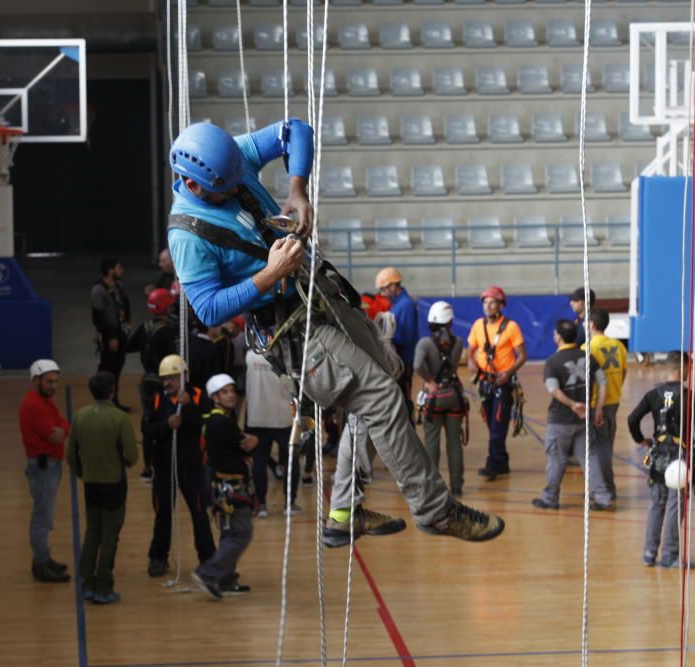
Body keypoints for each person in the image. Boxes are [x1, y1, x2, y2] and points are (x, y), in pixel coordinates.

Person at [167, 120, 503, 546]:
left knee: (388, 371)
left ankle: (343, 512)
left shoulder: (228, 160)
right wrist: (269, 276)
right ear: (194, 187)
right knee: (379, 395)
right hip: (292, 331)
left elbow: (295, 130)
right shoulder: (187, 235)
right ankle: (435, 509)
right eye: (224, 190)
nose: (236, 190)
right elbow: (208, 308)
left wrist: (297, 189)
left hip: (318, 297)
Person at [627, 352, 695, 568]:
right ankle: (670, 555)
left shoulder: (654, 394)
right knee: (675, 505)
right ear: (685, 368)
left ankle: (649, 552)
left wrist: (641, 440)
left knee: (657, 505)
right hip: (679, 459)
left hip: (657, 457)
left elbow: (632, 418)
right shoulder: (690, 397)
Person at [67, 372, 138, 603]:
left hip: (91, 484)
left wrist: (83, 472)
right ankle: (104, 587)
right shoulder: (119, 419)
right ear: (112, 390)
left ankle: (86, 583)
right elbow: (131, 455)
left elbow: (70, 454)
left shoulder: (79, 417)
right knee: (110, 536)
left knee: (92, 532)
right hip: (114, 484)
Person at [145, 354, 216, 577]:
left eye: (172, 378)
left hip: (192, 468)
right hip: (165, 469)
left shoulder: (197, 397)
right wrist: (167, 425)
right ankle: (158, 557)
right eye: (164, 378)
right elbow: (148, 431)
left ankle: (208, 559)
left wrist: (188, 409)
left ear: (184, 377)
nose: (167, 383)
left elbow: (205, 426)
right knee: (163, 514)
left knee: (199, 514)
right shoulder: (157, 400)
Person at [531, 320, 612, 511]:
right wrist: (598, 408)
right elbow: (602, 382)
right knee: (589, 457)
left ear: (558, 337)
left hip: (560, 420)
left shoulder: (553, 361)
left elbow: (553, 389)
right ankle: (602, 497)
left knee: (556, 459)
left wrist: (572, 404)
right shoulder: (588, 357)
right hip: (584, 419)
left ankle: (550, 498)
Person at [193, 374, 258, 600]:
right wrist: (254, 441)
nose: (231, 395)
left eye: (232, 390)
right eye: (225, 392)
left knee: (230, 533)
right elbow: (246, 446)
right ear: (215, 397)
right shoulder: (222, 423)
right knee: (241, 534)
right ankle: (209, 574)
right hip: (231, 487)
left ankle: (227, 579)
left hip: (223, 486)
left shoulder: (213, 419)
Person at [466, 286, 527, 481]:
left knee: (498, 426)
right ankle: (502, 461)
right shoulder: (477, 325)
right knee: (492, 426)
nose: (488, 306)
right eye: (485, 302)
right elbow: (471, 348)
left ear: (500, 305)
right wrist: (470, 361)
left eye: (492, 302)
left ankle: (492, 465)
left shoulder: (511, 327)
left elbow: (523, 356)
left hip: (503, 383)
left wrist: (508, 373)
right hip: (485, 381)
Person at [18, 359, 71, 583]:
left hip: (50, 465)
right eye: (49, 382)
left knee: (44, 514)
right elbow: (55, 435)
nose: (53, 386)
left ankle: (44, 558)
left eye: (56, 382)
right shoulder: (34, 405)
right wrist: (59, 430)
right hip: (43, 468)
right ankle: (40, 563)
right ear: (36, 381)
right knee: (42, 516)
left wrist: (60, 429)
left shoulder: (45, 402)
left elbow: (63, 425)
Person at [414, 301, 468, 496]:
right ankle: (456, 485)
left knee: (432, 441)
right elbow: (452, 367)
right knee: (454, 441)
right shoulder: (458, 342)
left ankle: (433, 486)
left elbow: (418, 364)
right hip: (454, 394)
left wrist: (429, 380)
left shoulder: (425, 344)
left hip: (435, 398)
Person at [127, 288, 177, 483]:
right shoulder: (166, 331)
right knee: (165, 422)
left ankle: (147, 468)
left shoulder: (145, 327)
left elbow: (129, 346)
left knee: (149, 423)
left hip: (147, 381)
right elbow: (173, 356)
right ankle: (165, 464)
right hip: (163, 382)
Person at [245, 349, 301, 517]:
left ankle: (261, 504)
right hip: (282, 417)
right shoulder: (287, 354)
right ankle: (289, 504)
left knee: (259, 462)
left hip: (257, 416)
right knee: (292, 460)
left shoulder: (250, 355)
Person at [581, 308, 627, 500]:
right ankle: (605, 486)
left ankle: (605, 488)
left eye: (585, 322)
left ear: (592, 324)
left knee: (597, 448)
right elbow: (623, 372)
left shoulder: (588, 347)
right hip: (613, 401)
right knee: (606, 445)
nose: (583, 325)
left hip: (595, 405)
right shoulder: (618, 345)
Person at [375, 267, 419, 421]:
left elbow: (406, 338)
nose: (382, 293)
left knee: (404, 403)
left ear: (393, 286)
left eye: (384, 289)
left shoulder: (406, 305)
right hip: (399, 361)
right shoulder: (399, 304)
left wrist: (384, 336)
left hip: (403, 363)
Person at [91, 258, 131, 411]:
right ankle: (101, 401)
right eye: (119, 267)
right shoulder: (98, 290)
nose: (122, 271)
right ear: (110, 270)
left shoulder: (119, 285)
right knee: (107, 369)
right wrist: (110, 337)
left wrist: (128, 321)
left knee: (117, 368)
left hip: (121, 333)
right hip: (110, 336)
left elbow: (125, 304)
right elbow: (98, 318)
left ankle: (114, 400)